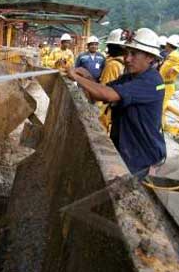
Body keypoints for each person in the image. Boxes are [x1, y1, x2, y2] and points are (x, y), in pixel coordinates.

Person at [66, 28, 166, 178]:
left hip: (140, 154)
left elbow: (109, 95)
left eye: (134, 54)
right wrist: (87, 77)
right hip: (127, 145)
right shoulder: (129, 77)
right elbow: (104, 92)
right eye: (127, 53)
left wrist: (77, 78)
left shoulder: (151, 81)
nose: (127, 59)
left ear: (150, 57)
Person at [98, 29, 126, 132]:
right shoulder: (124, 64)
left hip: (108, 110)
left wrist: (98, 112)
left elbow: (104, 91)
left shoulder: (113, 65)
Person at [159, 34, 179, 128]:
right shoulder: (170, 55)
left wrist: (175, 68)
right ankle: (163, 126)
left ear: (169, 44)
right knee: (161, 106)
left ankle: (159, 128)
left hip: (167, 86)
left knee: (160, 108)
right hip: (163, 85)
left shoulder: (176, 56)